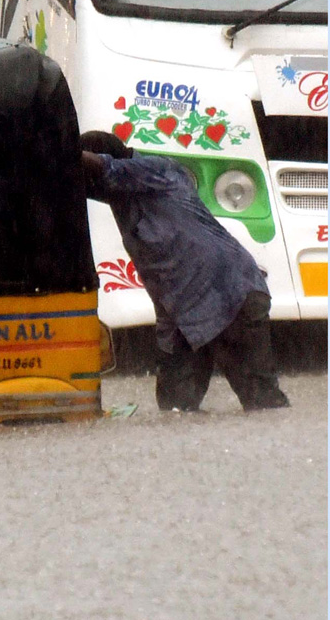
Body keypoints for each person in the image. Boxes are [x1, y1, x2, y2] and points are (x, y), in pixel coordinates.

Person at [80, 130, 288, 411]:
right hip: (183, 315)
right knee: (176, 410)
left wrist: (59, 149)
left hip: (231, 298)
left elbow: (103, 168)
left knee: (263, 403)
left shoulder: (158, 170)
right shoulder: (124, 193)